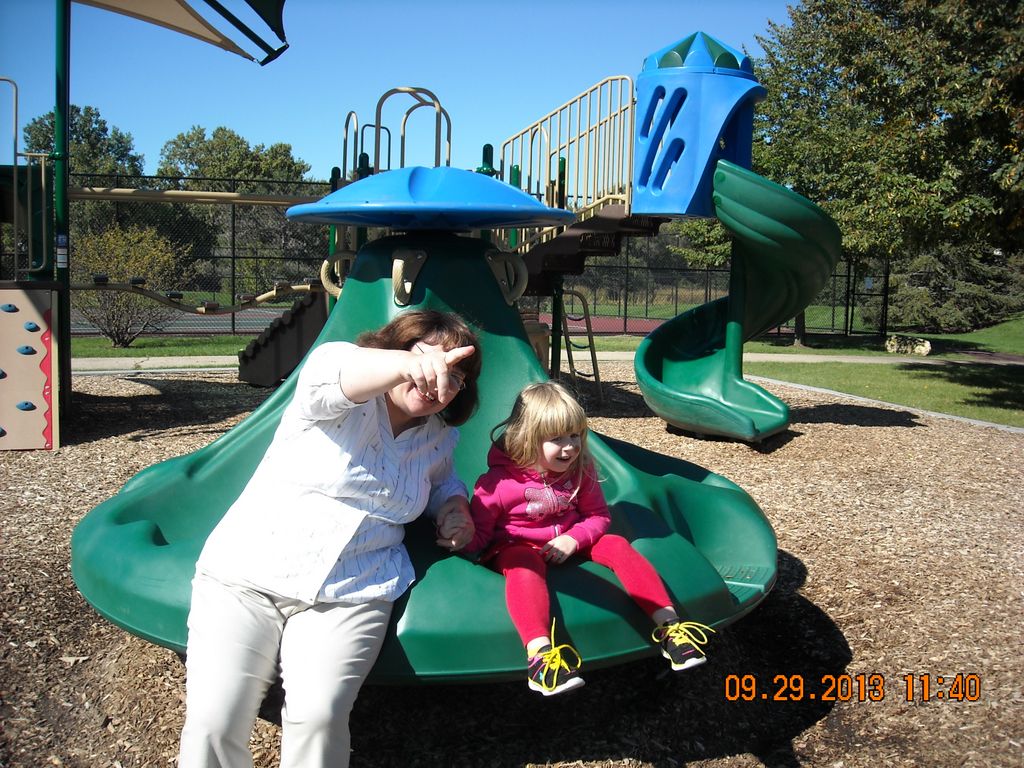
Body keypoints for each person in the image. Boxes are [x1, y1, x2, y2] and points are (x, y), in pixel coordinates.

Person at [178, 309, 480, 768]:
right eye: (426, 360)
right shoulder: (334, 385)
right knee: (214, 722)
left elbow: (442, 482)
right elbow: (342, 370)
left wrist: (454, 507)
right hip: (247, 574)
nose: (436, 379)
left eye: (454, 376)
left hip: (353, 588)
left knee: (317, 717)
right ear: (390, 352)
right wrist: (407, 365)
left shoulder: (437, 437)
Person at [464, 381, 714, 696]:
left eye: (575, 435)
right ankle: (539, 657)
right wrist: (460, 539)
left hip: (571, 537)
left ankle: (671, 629)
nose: (570, 447)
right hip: (517, 545)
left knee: (617, 545)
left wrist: (574, 538)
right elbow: (480, 536)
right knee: (523, 565)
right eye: (557, 438)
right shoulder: (497, 483)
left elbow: (598, 516)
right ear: (528, 438)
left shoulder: (580, 469)